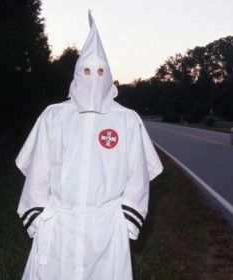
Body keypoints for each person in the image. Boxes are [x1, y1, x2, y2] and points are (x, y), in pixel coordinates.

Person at [15, 11, 163, 280]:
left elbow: (139, 176)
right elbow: (38, 170)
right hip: (59, 227)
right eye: (86, 70)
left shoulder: (126, 121)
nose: (92, 77)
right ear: (75, 75)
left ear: (109, 76)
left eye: (99, 71)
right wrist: (37, 219)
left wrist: (125, 222)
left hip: (106, 232)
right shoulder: (54, 117)